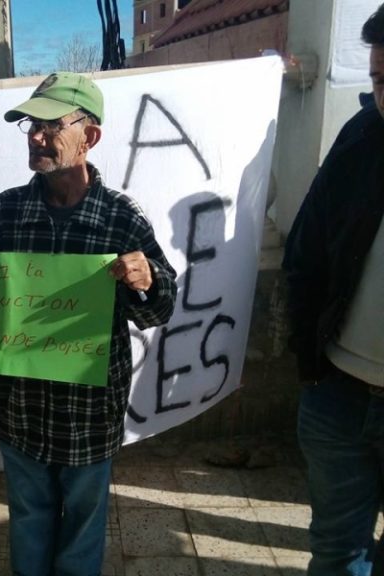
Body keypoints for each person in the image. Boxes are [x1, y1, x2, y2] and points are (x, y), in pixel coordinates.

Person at [0, 71, 177, 576]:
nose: (35, 136)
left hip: (90, 411)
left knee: (83, 527)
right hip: (21, 410)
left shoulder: (121, 218)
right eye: (31, 124)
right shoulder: (4, 213)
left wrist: (148, 277)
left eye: (51, 125)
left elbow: (159, 311)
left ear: (89, 137)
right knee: (29, 518)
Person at [282, 4, 384, 575]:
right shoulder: (360, 137)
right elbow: (306, 252)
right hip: (339, 396)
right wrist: (310, 367)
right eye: (377, 79)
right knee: (338, 553)